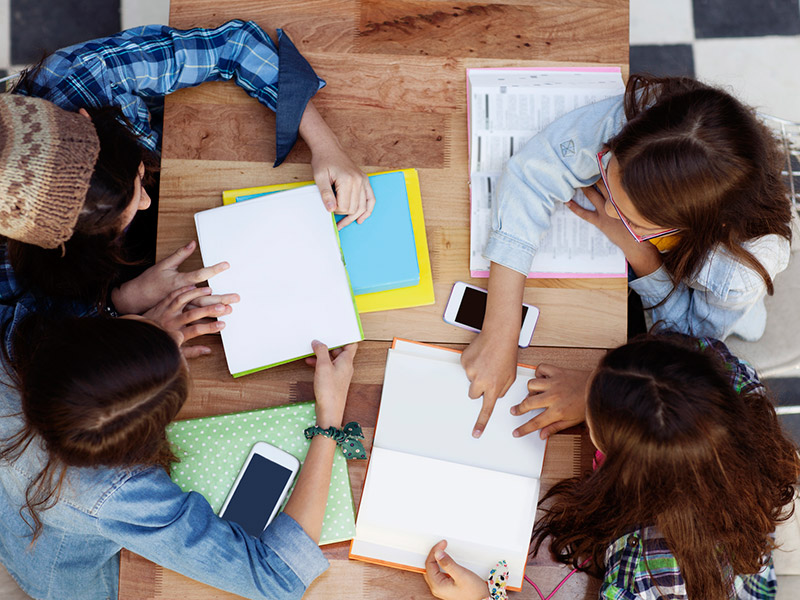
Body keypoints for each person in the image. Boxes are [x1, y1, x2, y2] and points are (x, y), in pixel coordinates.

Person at [0, 20, 376, 349]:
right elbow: (45, 344)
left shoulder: (82, 75)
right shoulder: (10, 271)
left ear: (86, 118)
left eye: (138, 178)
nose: (146, 203)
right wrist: (124, 304)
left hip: (189, 162)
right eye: (119, 216)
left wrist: (326, 144)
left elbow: (236, 46)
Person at [461, 75, 793, 437]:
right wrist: (501, 327)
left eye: (631, 218)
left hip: (705, 302)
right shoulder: (652, 121)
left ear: (689, 228)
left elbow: (690, 341)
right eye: (607, 174)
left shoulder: (735, 274)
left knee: (744, 321)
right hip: (666, 272)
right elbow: (535, 170)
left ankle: (751, 319)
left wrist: (640, 254)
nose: (607, 209)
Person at [0, 312, 359, 600]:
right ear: (142, 437)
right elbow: (278, 577)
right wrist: (329, 418)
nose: (177, 336)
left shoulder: (15, 338)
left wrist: (129, 322)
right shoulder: (120, 493)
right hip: (65, 576)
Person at [423, 335, 799, 600]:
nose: (588, 415)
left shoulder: (641, 574)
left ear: (628, 471)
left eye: (594, 423)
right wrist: (596, 388)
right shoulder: (723, 372)